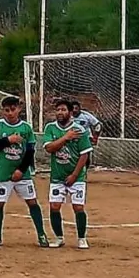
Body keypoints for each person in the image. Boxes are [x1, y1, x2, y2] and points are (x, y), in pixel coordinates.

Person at [0, 96, 49, 248]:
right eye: (6, 110)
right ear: (3, 111)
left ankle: (41, 234)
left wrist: (21, 170)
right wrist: (9, 140)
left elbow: (30, 151)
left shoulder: (26, 128)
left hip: (23, 175)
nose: (10, 113)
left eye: (13, 110)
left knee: (32, 202)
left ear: (19, 109)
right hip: (2, 174)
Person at [43, 99, 93, 249]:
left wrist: (74, 175)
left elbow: (84, 155)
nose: (60, 112)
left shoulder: (80, 130)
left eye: (63, 110)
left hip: (76, 177)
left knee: (78, 207)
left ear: (70, 113)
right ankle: (59, 237)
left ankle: (82, 238)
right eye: (58, 110)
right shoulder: (50, 128)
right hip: (57, 176)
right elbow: (49, 148)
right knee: (54, 206)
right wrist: (65, 138)